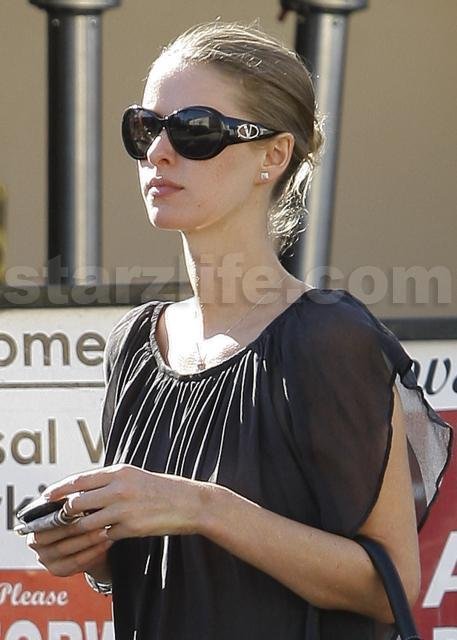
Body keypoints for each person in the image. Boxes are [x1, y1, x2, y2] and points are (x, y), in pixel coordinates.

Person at [26, 20, 452, 640]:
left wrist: (203, 506)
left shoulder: (327, 338)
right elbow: (189, 571)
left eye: (195, 130)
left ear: (273, 156)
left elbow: (386, 588)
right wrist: (94, 550)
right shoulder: (135, 344)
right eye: (145, 128)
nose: (159, 152)